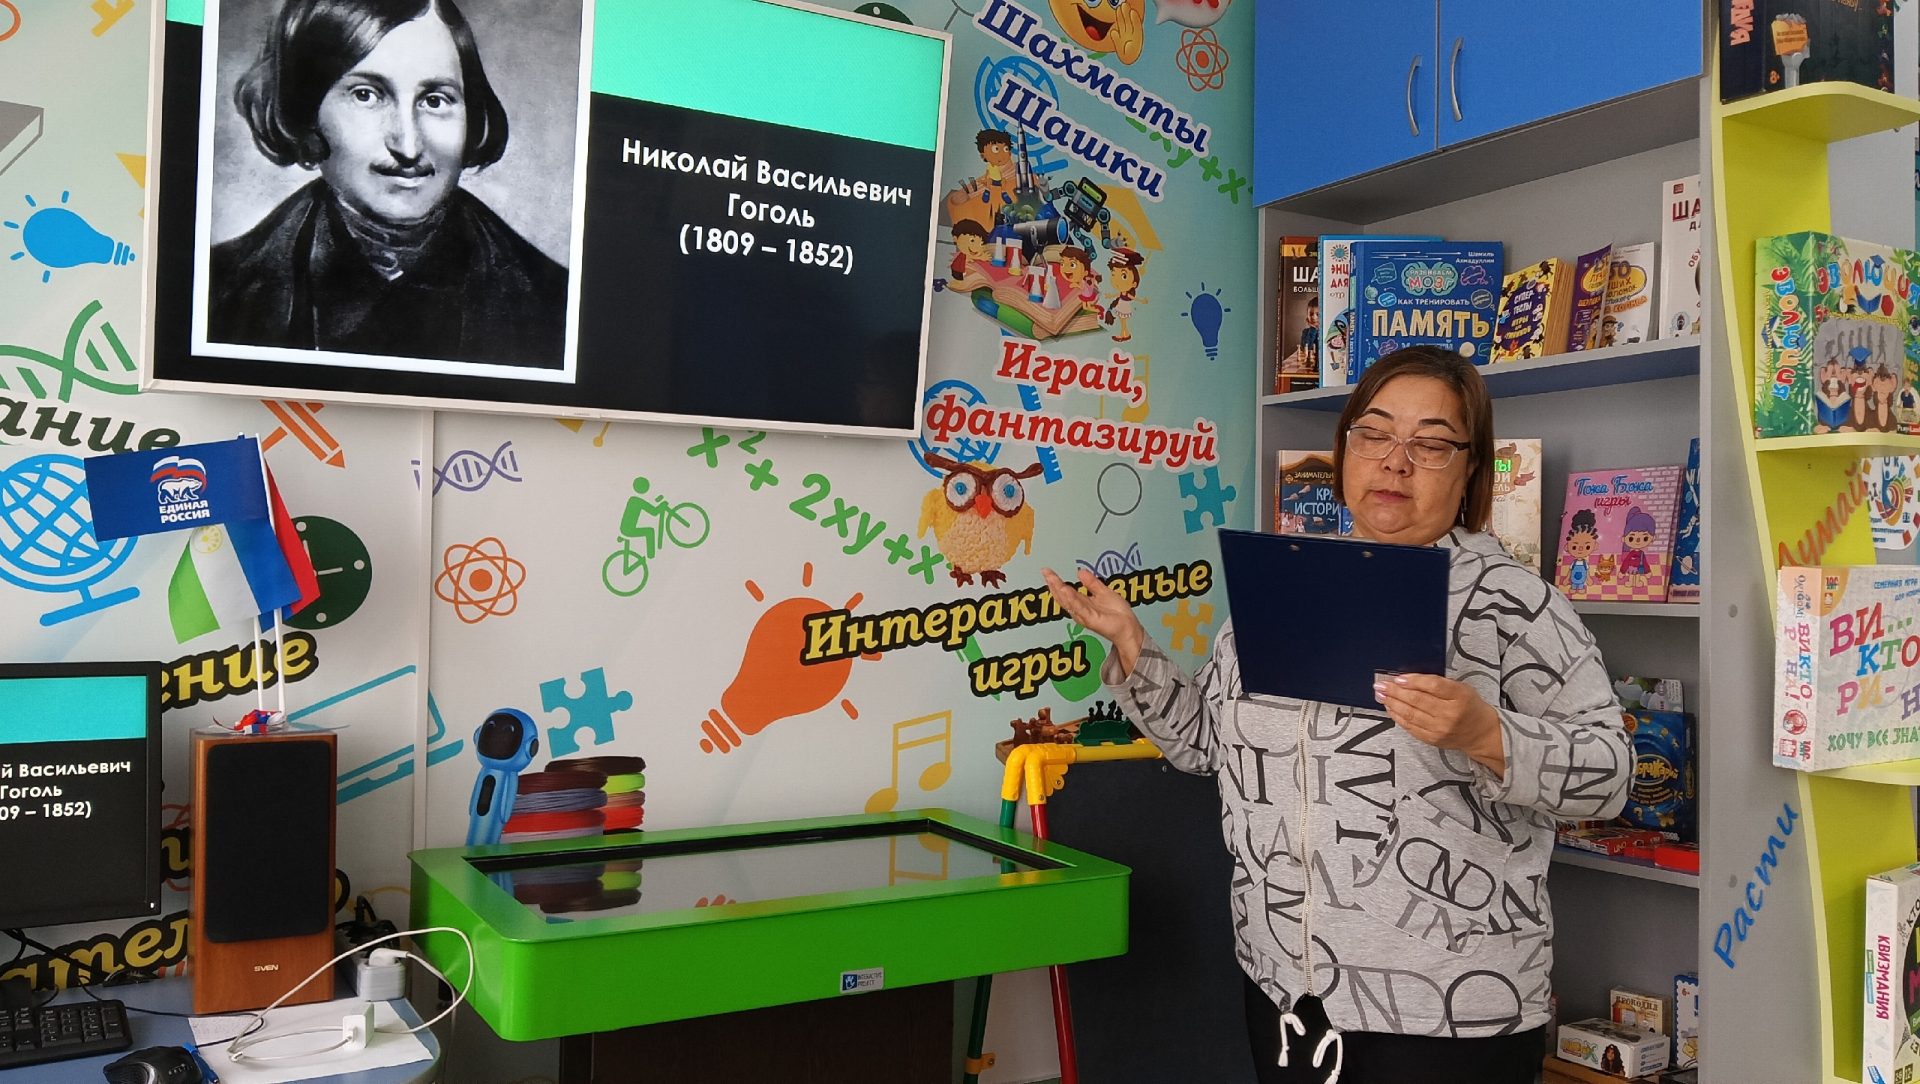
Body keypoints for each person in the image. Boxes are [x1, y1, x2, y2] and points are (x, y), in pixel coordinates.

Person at [1042, 346, 1632, 1084]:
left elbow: (1611, 776)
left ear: (1471, 469)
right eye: (1373, 434)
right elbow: (1205, 745)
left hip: (1446, 1011)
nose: (1395, 462)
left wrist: (1487, 735)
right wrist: (1134, 646)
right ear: (1344, 448)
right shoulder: (1288, 579)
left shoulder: (1518, 607)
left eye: (1430, 444)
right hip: (1285, 987)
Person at [209, 0, 568, 368]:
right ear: (305, 112)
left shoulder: (555, 303)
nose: (408, 146)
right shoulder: (218, 290)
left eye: (434, 100)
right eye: (366, 95)